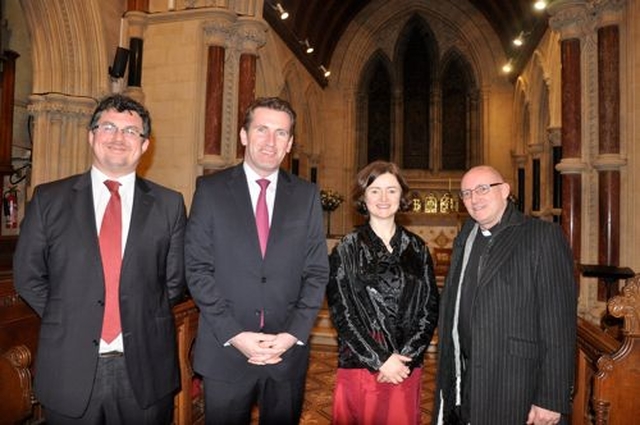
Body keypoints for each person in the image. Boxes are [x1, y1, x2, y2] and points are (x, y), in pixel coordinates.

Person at [13, 94, 187, 424]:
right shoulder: (48, 199)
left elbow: (174, 282)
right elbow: (28, 275)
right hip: (70, 364)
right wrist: (70, 317)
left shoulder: (169, 204)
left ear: (145, 144)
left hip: (145, 369)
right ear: (91, 135)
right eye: (108, 126)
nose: (118, 138)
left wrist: (133, 317)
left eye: (131, 131)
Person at [185, 97, 329, 424]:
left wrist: (292, 335)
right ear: (244, 135)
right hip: (226, 350)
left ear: (290, 143)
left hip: (286, 353)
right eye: (261, 130)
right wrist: (236, 334)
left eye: (281, 133)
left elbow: (317, 272)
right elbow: (196, 268)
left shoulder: (306, 196)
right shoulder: (210, 190)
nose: (270, 141)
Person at [433, 165, 577, 425]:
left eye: (483, 189)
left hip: (517, 384)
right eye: (466, 193)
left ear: (505, 191)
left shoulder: (542, 236)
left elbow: (559, 324)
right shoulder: (466, 237)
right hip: (470, 377)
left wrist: (551, 397)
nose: (474, 199)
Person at [326, 160, 440, 425]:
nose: (383, 198)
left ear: (402, 197)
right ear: (363, 198)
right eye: (375, 190)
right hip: (361, 365)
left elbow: (429, 308)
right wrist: (380, 359)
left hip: (404, 367)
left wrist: (405, 360)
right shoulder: (346, 249)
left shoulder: (417, 248)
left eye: (392, 190)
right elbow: (342, 314)